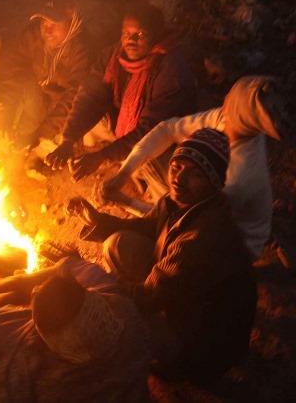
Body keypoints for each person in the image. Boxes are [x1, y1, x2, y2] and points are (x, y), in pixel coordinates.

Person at [69, 128, 257, 382]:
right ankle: (159, 323)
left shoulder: (201, 238)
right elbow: (145, 228)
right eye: (177, 166)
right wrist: (98, 220)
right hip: (186, 299)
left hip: (203, 344)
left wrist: (90, 285)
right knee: (117, 244)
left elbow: (148, 297)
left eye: (196, 174)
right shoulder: (180, 199)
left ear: (214, 183)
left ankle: (171, 358)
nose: (180, 178)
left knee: (121, 322)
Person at [102, 76, 292, 259]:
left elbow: (183, 222)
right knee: (147, 155)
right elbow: (167, 129)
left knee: (124, 248)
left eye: (230, 102)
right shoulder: (225, 119)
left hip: (229, 246)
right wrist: (124, 173)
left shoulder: (243, 172)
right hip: (203, 206)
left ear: (240, 116)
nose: (224, 102)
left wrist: (126, 203)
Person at [0, 254, 150, 402]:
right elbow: (71, 265)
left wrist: (9, 294)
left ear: (46, 336)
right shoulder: (122, 309)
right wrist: (17, 280)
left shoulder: (32, 379)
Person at [45, 3, 197, 181]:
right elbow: (90, 96)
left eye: (140, 35)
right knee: (82, 116)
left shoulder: (170, 71)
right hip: (123, 126)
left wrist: (102, 157)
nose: (131, 40)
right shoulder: (113, 55)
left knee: (157, 166)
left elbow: (150, 131)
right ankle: (120, 154)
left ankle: (139, 175)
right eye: (126, 33)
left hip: (164, 140)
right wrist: (68, 140)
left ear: (157, 35)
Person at [0, 0, 92, 172]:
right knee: (3, 90)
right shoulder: (33, 35)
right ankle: (7, 145)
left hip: (62, 104)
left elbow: (75, 93)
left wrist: (41, 133)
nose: (47, 30)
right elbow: (12, 69)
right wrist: (5, 113)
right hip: (39, 94)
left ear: (71, 22)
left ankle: (36, 153)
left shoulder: (82, 48)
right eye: (43, 24)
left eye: (54, 25)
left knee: (70, 132)